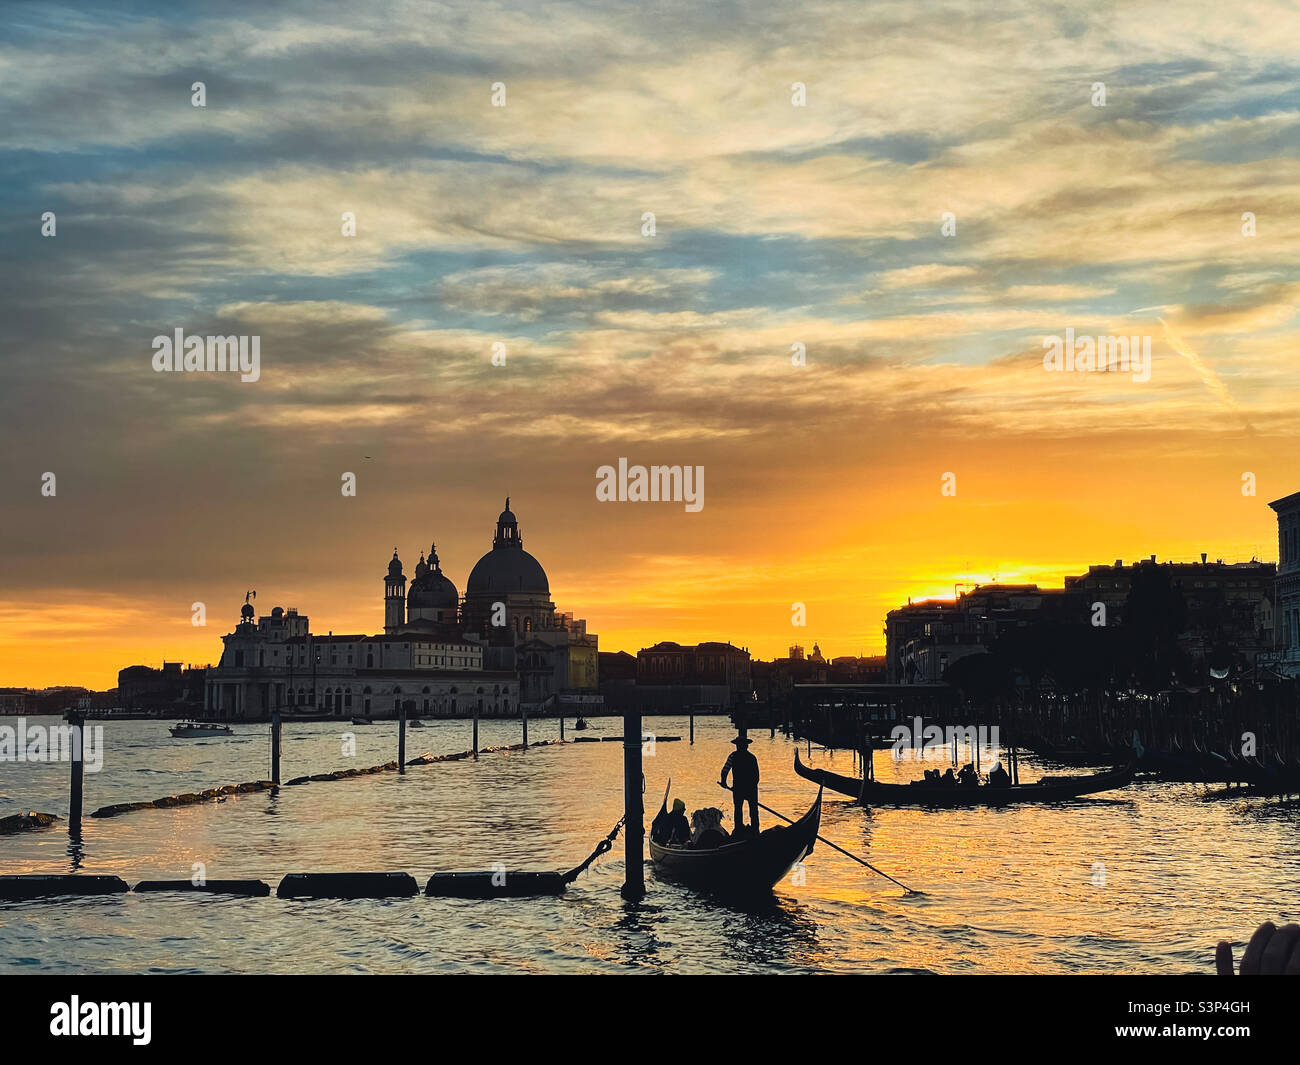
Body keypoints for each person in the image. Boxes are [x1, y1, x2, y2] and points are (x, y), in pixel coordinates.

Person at [720, 735, 760, 834]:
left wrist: (723, 781)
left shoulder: (733, 756)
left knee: (738, 809)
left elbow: (725, 770)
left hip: (739, 788)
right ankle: (755, 830)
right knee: (753, 810)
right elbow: (756, 776)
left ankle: (739, 830)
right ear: (747, 746)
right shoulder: (751, 757)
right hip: (750, 788)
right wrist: (752, 786)